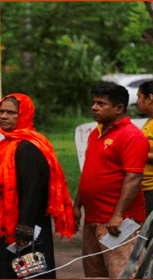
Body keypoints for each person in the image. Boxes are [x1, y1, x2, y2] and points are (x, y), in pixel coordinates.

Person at [0, 93, 75, 279]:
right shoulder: (2, 147)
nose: (3, 116)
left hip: (23, 228)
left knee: (27, 273)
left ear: (25, 114)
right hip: (1, 225)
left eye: (11, 112)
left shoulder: (30, 148)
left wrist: (24, 229)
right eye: (1, 111)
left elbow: (33, 192)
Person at [74, 82, 150, 278]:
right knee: (96, 274)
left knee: (124, 274)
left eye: (101, 104)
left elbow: (133, 177)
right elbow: (88, 173)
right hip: (93, 219)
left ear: (119, 108)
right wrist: (77, 206)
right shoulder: (95, 133)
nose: (94, 107)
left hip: (117, 222)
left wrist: (117, 215)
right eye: (94, 103)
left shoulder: (131, 135)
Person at [136, 80, 153, 218]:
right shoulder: (149, 121)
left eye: (139, 97)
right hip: (144, 187)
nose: (137, 101)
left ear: (150, 98)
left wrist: (135, 154)